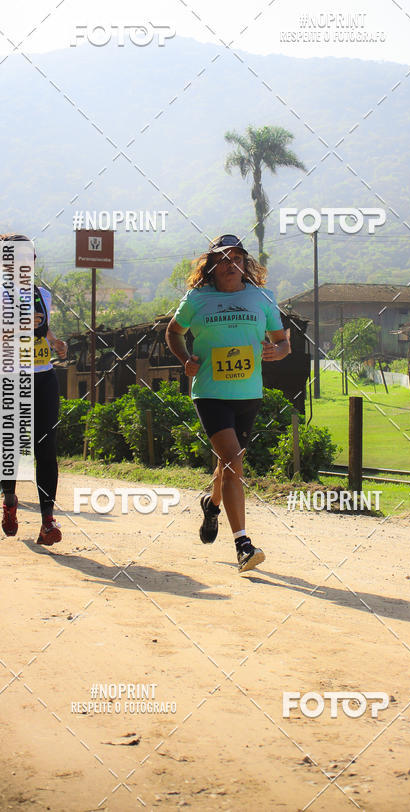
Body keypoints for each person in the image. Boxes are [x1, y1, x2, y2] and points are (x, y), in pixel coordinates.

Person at [165, 234, 290, 573]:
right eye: (222, 259)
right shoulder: (197, 299)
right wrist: (184, 358)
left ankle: (212, 503)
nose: (229, 264)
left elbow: (283, 343)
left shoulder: (262, 297)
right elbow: (173, 331)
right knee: (234, 461)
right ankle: (243, 545)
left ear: (244, 264)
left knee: (228, 464)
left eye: (236, 258)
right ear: (211, 266)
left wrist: (276, 351)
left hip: (248, 394)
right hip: (209, 392)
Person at [0, 234, 68, 546]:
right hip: (7, 379)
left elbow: (41, 326)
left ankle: (47, 521)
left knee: (46, 448)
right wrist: (13, 327)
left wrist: (55, 341)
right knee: (12, 447)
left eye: (30, 256)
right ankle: (10, 500)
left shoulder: (43, 294)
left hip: (43, 377)